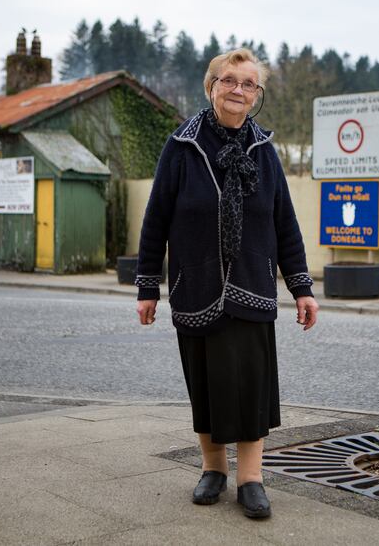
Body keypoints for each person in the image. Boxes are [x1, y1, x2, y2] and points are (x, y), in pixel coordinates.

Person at [135, 48, 318, 519]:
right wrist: (147, 288)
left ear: (257, 94)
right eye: (229, 80)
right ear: (211, 86)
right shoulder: (182, 147)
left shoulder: (264, 150)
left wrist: (302, 287)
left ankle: (251, 479)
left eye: (249, 83)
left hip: (253, 284)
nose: (239, 90)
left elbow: (285, 222)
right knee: (206, 382)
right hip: (196, 286)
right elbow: (156, 220)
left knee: (253, 384)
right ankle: (213, 468)